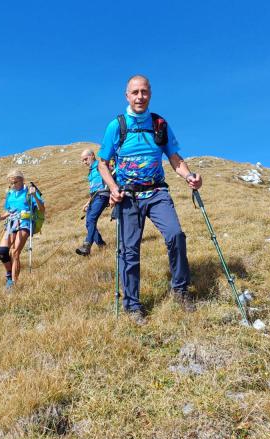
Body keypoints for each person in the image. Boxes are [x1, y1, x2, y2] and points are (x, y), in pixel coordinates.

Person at [97, 74, 203, 323]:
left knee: (176, 235)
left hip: (157, 192)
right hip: (128, 196)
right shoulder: (117, 126)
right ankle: (132, 305)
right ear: (127, 96)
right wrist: (113, 188)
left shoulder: (159, 124)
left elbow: (174, 158)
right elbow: (103, 163)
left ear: (150, 94)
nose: (140, 97)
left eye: (144, 92)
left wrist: (189, 176)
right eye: (135, 92)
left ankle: (180, 291)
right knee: (129, 251)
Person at [0, 169, 45, 288]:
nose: (13, 185)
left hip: (25, 223)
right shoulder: (10, 194)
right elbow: (8, 210)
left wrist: (35, 196)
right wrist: (0, 217)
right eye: (11, 183)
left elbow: (42, 208)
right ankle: (9, 274)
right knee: (2, 251)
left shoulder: (29, 192)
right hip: (11, 223)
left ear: (22, 180)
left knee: (15, 252)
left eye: (15, 182)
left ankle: (13, 283)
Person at [75, 149, 110, 256]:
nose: (84, 162)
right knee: (89, 222)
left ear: (92, 156)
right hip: (94, 197)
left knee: (91, 219)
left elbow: (109, 178)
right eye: (83, 161)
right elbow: (93, 190)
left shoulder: (100, 166)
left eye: (86, 159)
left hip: (102, 195)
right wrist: (87, 203)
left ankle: (87, 245)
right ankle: (101, 245)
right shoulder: (90, 171)